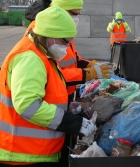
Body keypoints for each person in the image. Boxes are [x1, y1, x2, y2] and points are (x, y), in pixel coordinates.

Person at [0, 6, 96, 166]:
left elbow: (45, 94)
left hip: (35, 152)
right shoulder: (30, 58)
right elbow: (27, 105)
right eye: (65, 41)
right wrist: (73, 122)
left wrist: (67, 108)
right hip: (23, 155)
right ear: (49, 35)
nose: (67, 47)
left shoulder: (43, 54)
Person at [24, 0, 113, 103]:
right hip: (49, 100)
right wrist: (88, 73)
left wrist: (90, 65)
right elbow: (51, 74)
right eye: (74, 14)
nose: (76, 19)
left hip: (65, 92)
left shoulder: (62, 28)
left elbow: (73, 58)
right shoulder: (41, 31)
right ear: (60, 10)